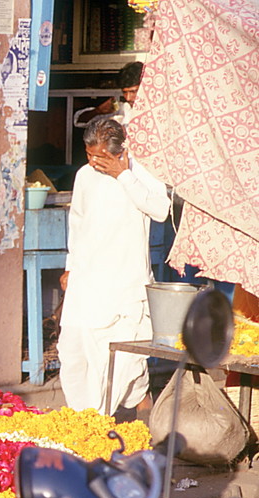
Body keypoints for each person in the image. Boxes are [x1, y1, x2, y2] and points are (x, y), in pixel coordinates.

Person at [57, 116, 170, 419]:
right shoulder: (84, 175)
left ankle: (109, 418)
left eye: (100, 156)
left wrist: (123, 175)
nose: (93, 161)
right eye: (89, 154)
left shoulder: (142, 172)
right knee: (75, 350)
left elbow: (160, 210)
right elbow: (77, 223)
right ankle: (85, 419)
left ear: (118, 151)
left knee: (124, 358)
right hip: (87, 281)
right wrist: (71, 267)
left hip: (125, 283)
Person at [74, 61, 144, 128]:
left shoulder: (154, 111)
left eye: (134, 91)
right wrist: (98, 111)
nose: (128, 98)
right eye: (124, 92)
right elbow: (79, 121)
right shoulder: (121, 110)